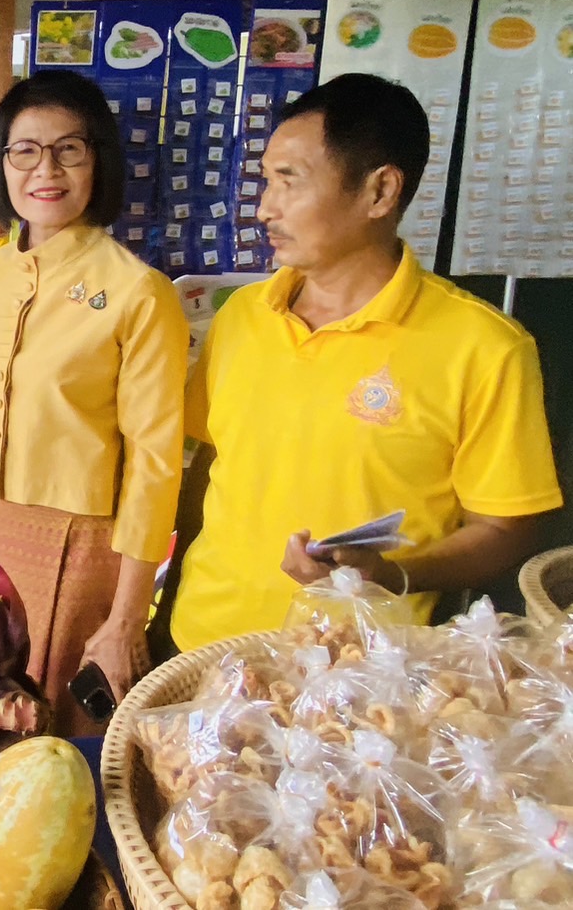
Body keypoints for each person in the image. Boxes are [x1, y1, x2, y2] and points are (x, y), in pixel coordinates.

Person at [160, 73, 564, 656]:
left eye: (290, 181)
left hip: (364, 670)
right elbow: (209, 466)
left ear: (379, 192)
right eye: (266, 180)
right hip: (203, 646)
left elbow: (506, 527)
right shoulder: (244, 315)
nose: (265, 208)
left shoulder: (485, 347)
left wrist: (390, 575)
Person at [0, 71, 188, 734]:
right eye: (24, 150)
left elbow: (154, 466)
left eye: (68, 150)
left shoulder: (139, 292)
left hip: (75, 545)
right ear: (1, 163)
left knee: (50, 725)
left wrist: (126, 617)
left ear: (97, 161)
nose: (45, 170)